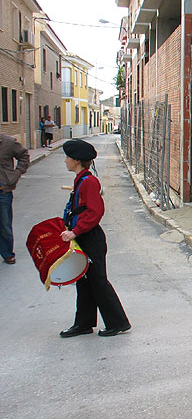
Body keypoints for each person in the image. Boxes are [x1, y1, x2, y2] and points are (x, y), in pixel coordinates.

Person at [59, 139, 131, 338]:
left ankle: (118, 323)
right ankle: (83, 323)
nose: (65, 161)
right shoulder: (81, 179)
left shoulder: (89, 182)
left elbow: (95, 211)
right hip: (83, 236)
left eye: (67, 157)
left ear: (76, 160)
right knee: (83, 280)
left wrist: (75, 231)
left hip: (90, 237)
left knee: (98, 281)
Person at [0, 133, 29, 264]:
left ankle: (7, 253)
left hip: (3, 191)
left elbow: (24, 156)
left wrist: (16, 173)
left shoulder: (8, 142)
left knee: (5, 225)